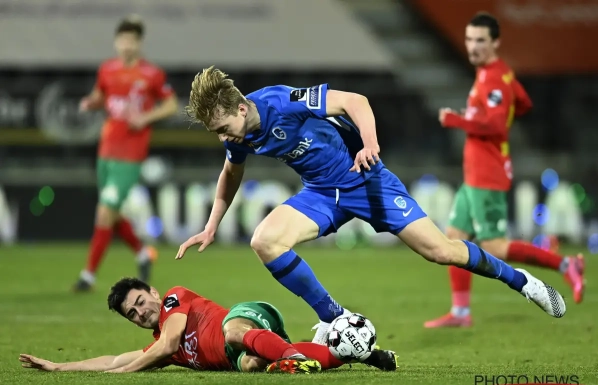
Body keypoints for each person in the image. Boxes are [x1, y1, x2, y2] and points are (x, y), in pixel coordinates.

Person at [175, 66, 567, 345]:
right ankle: (336, 318)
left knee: (441, 251)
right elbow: (231, 173)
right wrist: (211, 225)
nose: (223, 137)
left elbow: (354, 101)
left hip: (366, 180)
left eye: (222, 128)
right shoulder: (238, 136)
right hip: (321, 194)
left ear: (242, 109)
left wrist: (370, 145)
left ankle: (523, 282)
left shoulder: (283, 102)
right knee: (265, 241)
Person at [425, 12, 585, 328]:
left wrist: (459, 120)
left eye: (480, 40)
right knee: (454, 238)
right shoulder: (498, 74)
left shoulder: (495, 78)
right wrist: (484, 115)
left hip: (488, 174)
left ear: (495, 42)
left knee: (494, 246)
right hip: (475, 174)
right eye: (469, 39)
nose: (473, 46)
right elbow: (523, 102)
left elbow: (498, 124)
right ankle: (461, 312)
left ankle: (566, 264)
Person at [19, 278, 398, 374]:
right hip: (242, 352)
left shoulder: (173, 299)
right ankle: (357, 354)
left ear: (152, 293)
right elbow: (116, 360)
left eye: (139, 302)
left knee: (233, 331)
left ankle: (297, 358)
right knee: (252, 364)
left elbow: (168, 345)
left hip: (246, 316)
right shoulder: (160, 345)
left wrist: (123, 374)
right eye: (132, 314)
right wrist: (59, 367)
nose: (140, 313)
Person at [73, 15, 179, 291]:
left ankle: (88, 275)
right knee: (112, 213)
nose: (127, 45)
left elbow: (171, 105)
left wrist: (145, 118)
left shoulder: (151, 74)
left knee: (104, 212)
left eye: (132, 40)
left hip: (130, 155)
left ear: (139, 43)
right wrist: (90, 103)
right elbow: (101, 96)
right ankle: (142, 253)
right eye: (123, 40)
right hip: (106, 151)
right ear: (116, 42)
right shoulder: (107, 70)